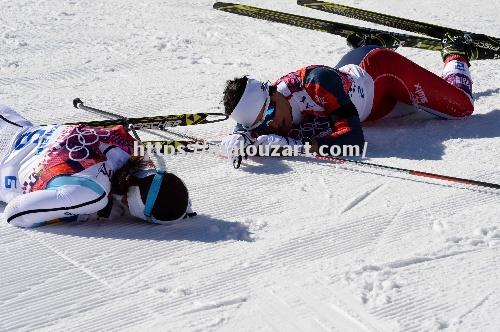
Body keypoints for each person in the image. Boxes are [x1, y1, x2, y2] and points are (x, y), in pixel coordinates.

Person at [219, 33, 475, 161]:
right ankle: (372, 40)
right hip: (372, 106)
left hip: (384, 75)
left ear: (273, 92)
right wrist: (238, 138)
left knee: (461, 107)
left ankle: (456, 52)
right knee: (409, 111)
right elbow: (245, 125)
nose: (273, 124)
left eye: (272, 114)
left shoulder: (316, 85)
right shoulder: (261, 107)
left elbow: (354, 139)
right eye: (263, 123)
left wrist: (299, 147)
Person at [0, 104, 192, 228]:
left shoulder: (134, 150)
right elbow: (15, 213)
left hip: (11, 123)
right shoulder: (92, 195)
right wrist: (82, 213)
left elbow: (158, 187)